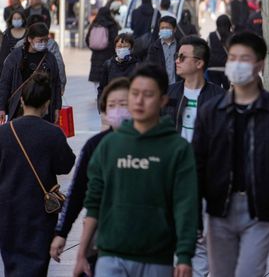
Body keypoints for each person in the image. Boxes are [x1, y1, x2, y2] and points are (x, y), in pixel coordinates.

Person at [192, 31, 269, 276]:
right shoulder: (211, 112)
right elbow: (197, 164)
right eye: (232, 57)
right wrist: (192, 214)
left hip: (260, 209)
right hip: (219, 209)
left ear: (260, 64)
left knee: (249, 272)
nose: (236, 64)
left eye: (244, 58)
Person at [73, 64, 198, 277]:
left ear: (163, 101)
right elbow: (93, 202)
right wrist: (81, 253)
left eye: (148, 95)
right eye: (134, 94)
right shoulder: (109, 145)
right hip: (110, 255)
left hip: (157, 259)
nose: (139, 101)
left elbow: (185, 204)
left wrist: (185, 256)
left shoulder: (177, 149)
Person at [51, 77, 131, 272]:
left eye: (123, 104)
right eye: (112, 105)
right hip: (104, 236)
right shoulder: (95, 146)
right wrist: (62, 232)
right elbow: (78, 191)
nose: (118, 109)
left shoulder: (153, 143)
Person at [0, 73, 75, 277]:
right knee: (36, 267)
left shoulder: (4, 133)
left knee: (12, 267)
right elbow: (66, 165)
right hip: (39, 214)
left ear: (22, 100)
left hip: (8, 212)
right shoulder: (53, 133)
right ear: (47, 103)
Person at [165, 35, 224, 274]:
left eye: (182, 57)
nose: (176, 61)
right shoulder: (168, 95)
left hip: (203, 179)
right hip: (170, 177)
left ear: (199, 63)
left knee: (198, 238)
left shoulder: (219, 97)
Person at [0, 22, 62, 123]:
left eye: (46, 40)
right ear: (29, 39)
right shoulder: (15, 57)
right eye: (40, 40)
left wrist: (57, 108)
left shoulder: (50, 58)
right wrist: (1, 107)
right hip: (19, 109)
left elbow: (56, 84)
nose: (43, 43)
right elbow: (4, 83)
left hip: (44, 109)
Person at [97, 33, 139, 104]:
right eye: (119, 46)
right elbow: (102, 88)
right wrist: (101, 105)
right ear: (115, 48)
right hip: (113, 104)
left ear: (131, 48)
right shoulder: (108, 64)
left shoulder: (137, 65)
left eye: (125, 46)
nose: (122, 49)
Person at [86, 6, 120, 87]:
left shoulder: (94, 24)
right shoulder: (112, 25)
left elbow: (87, 39)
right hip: (108, 55)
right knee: (107, 76)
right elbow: (115, 40)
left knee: (97, 79)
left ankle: (98, 95)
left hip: (95, 56)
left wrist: (94, 47)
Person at [147, 15, 179, 85]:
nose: (164, 30)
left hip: (178, 86)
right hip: (161, 86)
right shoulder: (154, 47)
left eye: (167, 28)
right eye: (162, 28)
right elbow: (151, 67)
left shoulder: (180, 46)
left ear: (174, 29)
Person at [207, 14, 233, 89]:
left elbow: (208, 49)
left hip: (212, 68)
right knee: (227, 92)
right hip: (227, 68)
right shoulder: (232, 36)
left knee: (215, 91)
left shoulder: (211, 35)